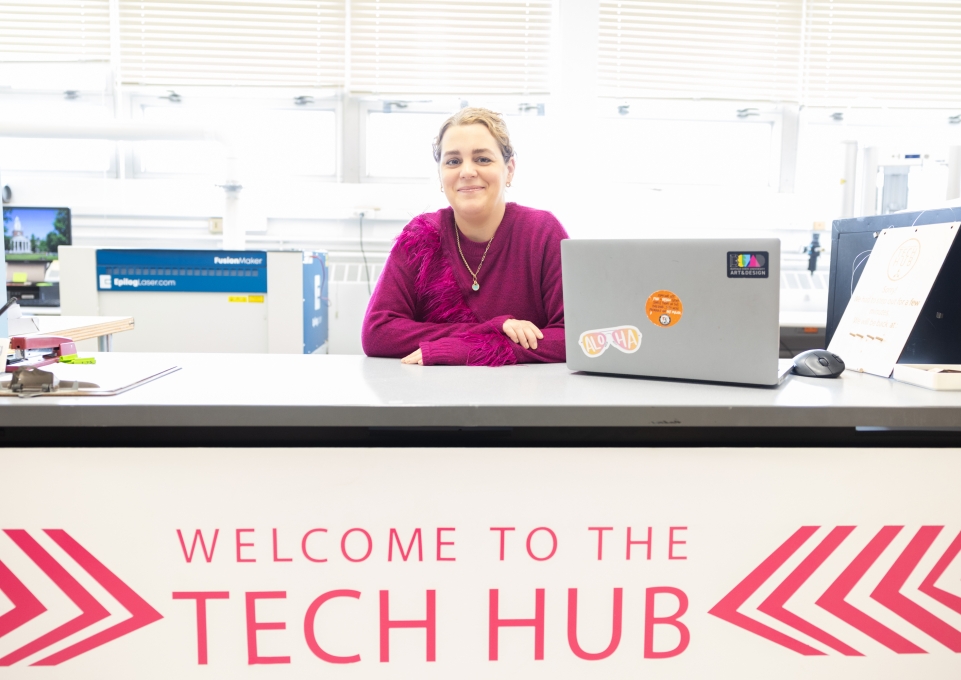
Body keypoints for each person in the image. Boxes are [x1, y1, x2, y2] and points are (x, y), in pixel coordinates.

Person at [361, 107, 568, 366]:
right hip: (433, 395)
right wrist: (487, 331)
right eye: (453, 161)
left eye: (482, 159)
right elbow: (378, 333)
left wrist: (472, 350)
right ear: (440, 174)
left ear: (509, 169)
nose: (467, 171)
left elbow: (572, 336)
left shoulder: (542, 232)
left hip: (524, 395)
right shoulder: (420, 237)